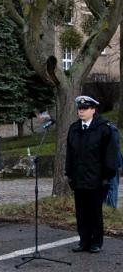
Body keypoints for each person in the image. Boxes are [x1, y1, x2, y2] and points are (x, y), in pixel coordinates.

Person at [66, 96, 117, 254]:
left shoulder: (104, 128)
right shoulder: (74, 128)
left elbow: (110, 155)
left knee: (95, 212)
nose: (81, 111)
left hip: (97, 179)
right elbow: (70, 154)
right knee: (81, 212)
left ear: (93, 110)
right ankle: (84, 240)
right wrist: (70, 175)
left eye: (85, 108)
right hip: (79, 179)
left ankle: (96, 241)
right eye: (79, 109)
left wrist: (106, 177)